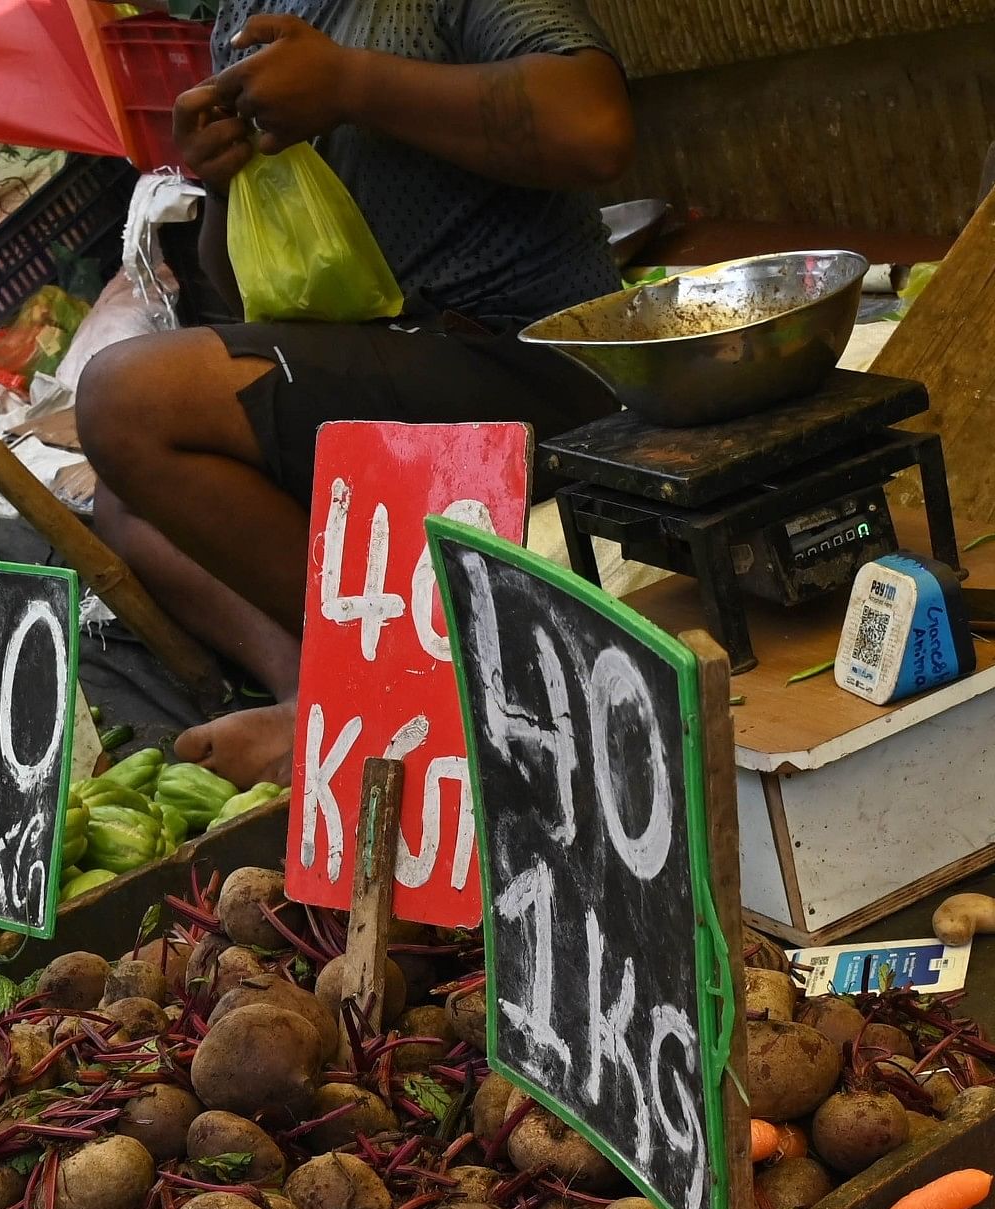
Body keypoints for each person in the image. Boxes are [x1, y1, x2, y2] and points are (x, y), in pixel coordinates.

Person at [75, 2, 636, 784]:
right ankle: (312, 687)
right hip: (391, 372)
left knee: (125, 401)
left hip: (537, 365)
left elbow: (596, 126)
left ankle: (380, 689)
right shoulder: (243, 21)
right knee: (125, 492)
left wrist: (351, 84)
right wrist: (223, 174)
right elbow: (247, 296)